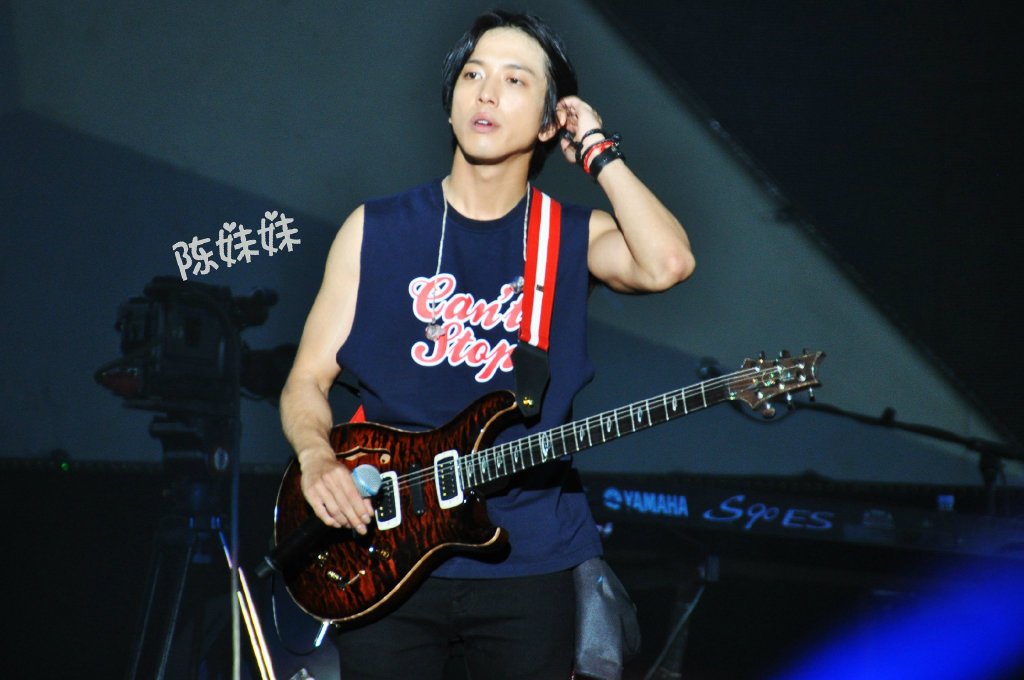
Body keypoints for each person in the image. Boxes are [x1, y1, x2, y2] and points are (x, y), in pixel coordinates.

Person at [279, 9, 694, 680]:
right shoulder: (374, 230)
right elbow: (306, 381)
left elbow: (668, 263)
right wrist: (315, 456)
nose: (487, 93)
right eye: (473, 75)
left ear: (549, 122)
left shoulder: (571, 236)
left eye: (514, 80)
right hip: (384, 554)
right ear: (450, 104)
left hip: (530, 560)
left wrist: (597, 150)